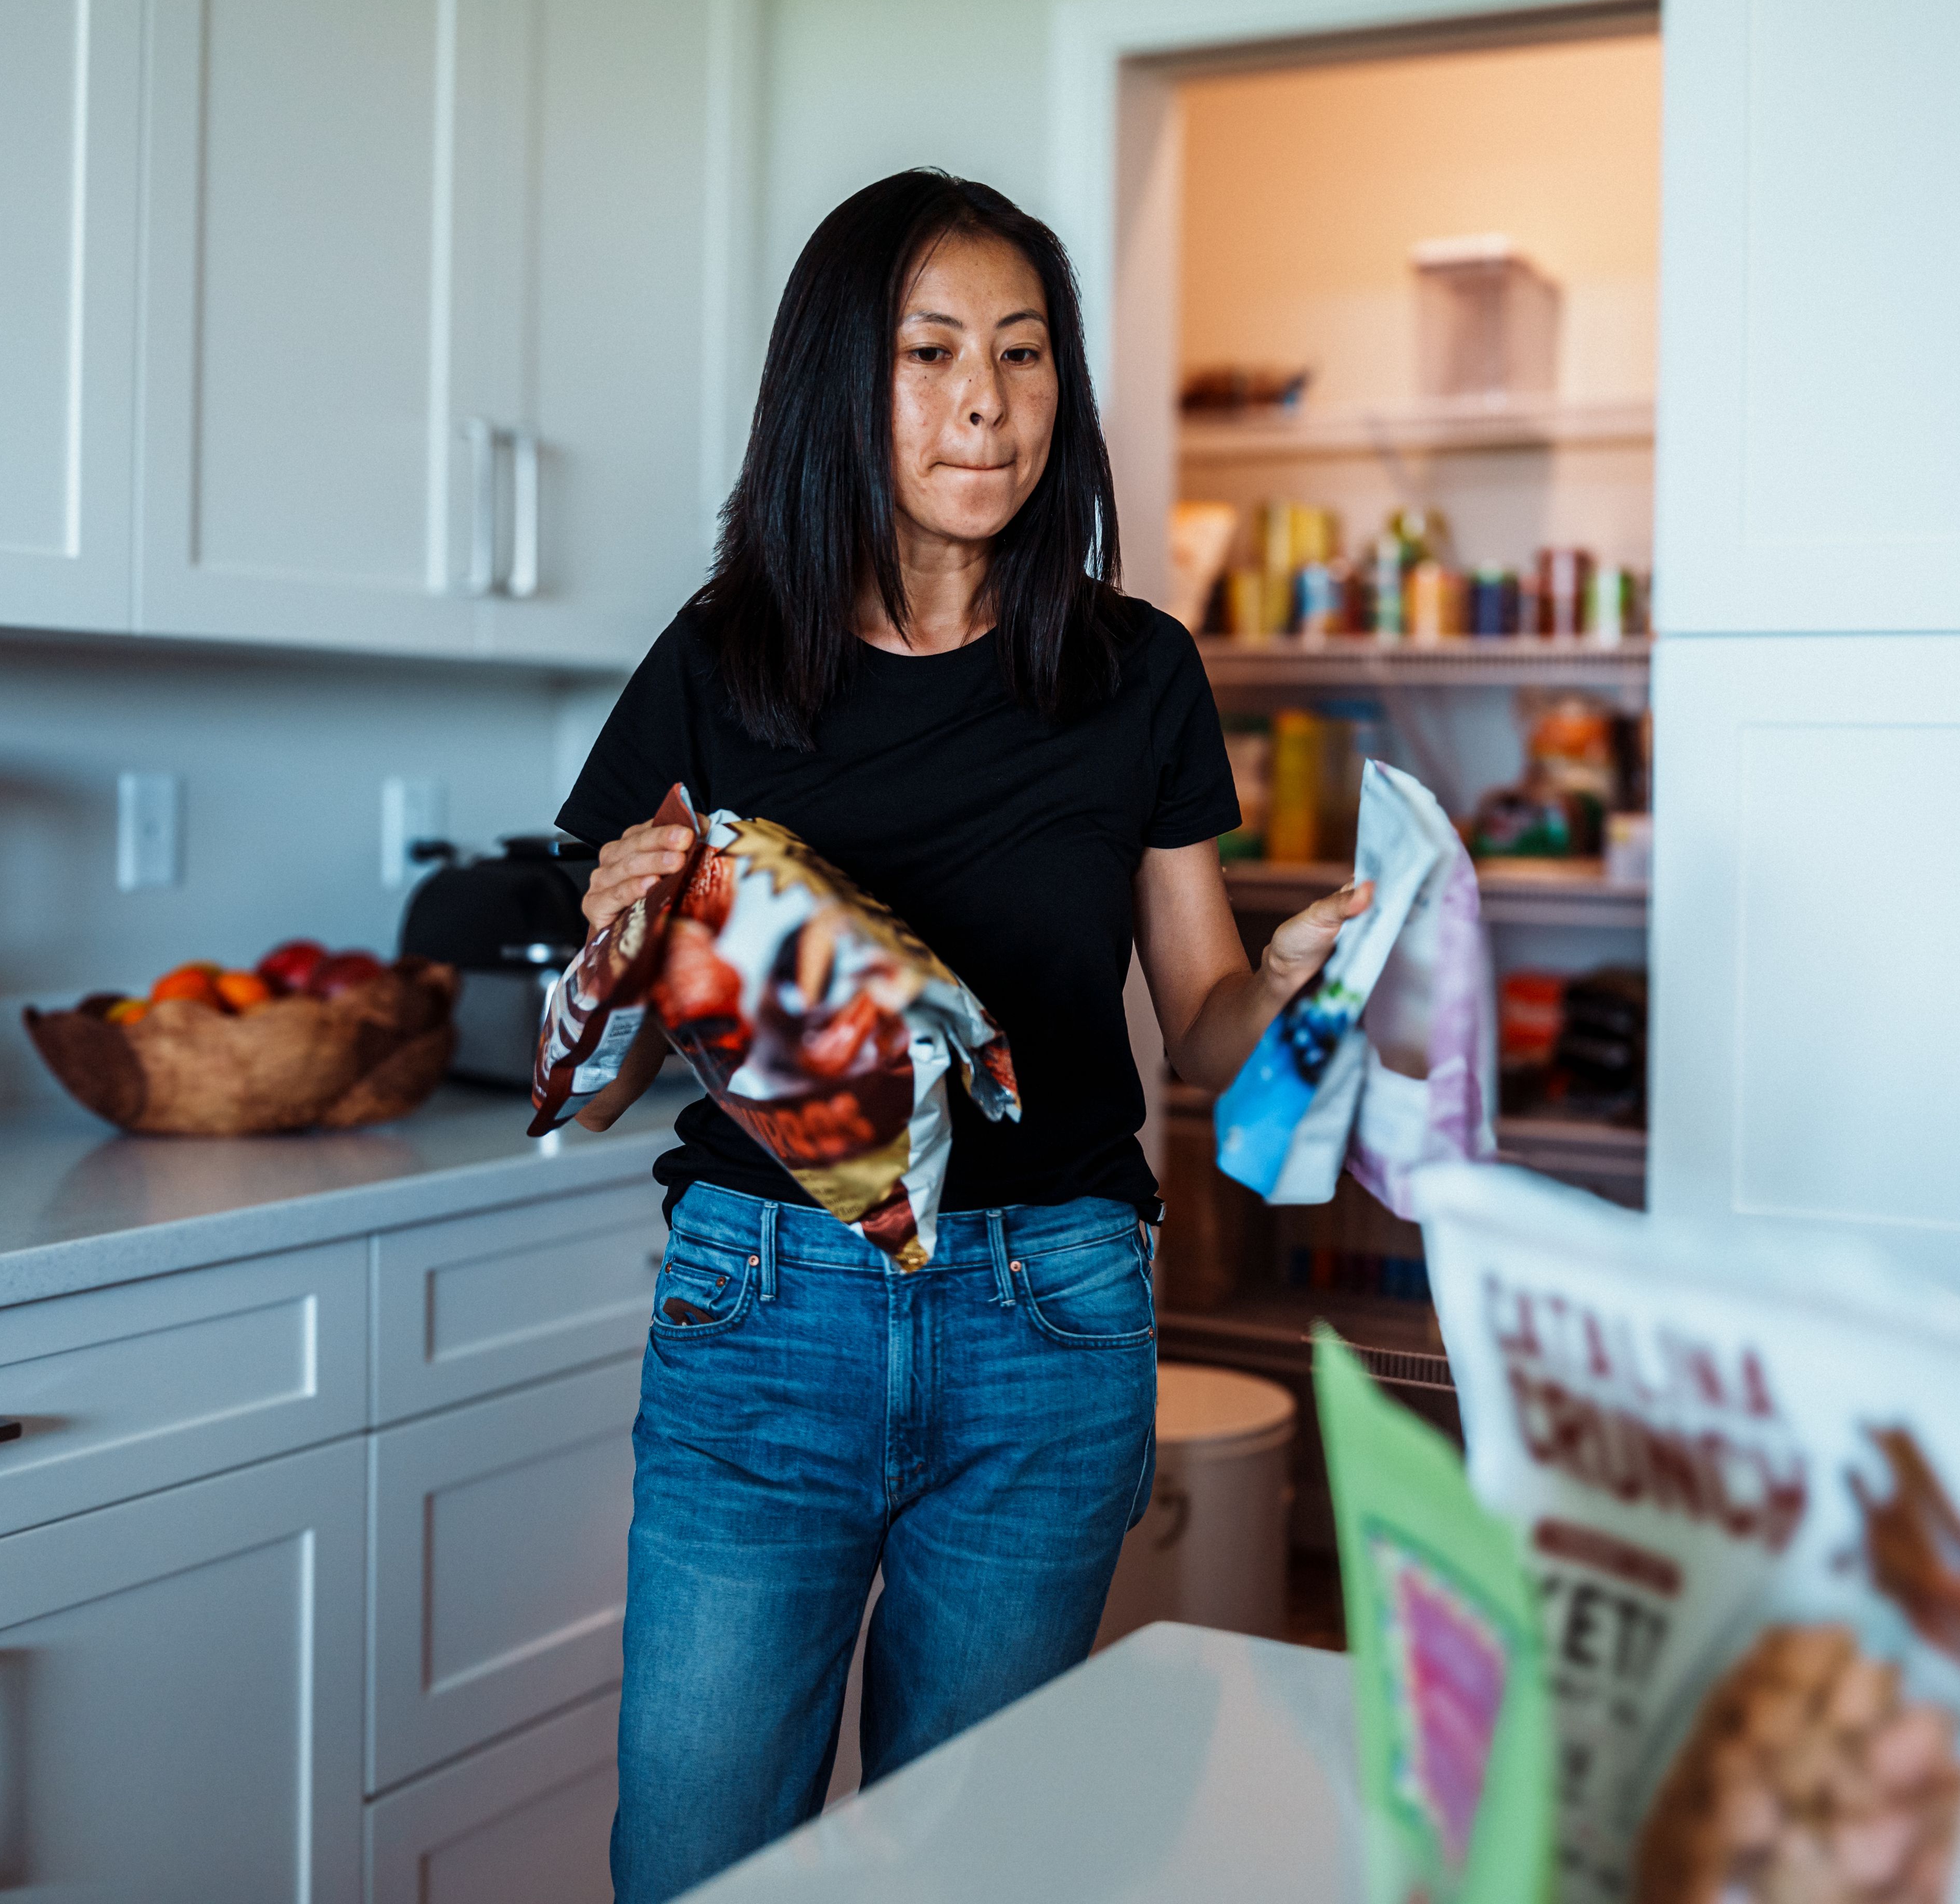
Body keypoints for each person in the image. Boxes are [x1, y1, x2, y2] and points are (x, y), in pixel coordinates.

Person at [556, 169, 1371, 1900]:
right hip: (764, 1309)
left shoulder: (1133, 671)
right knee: (699, 1860)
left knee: (971, 1866)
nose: (985, 403)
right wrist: (622, 947)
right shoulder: (718, 663)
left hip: (1049, 1320)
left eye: (1022, 351)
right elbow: (614, 1075)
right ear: (838, 385)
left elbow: (1204, 1027)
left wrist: (1291, 984)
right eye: (929, 354)